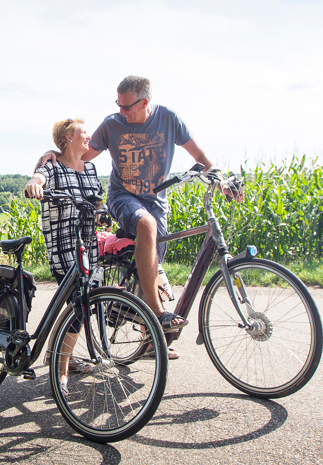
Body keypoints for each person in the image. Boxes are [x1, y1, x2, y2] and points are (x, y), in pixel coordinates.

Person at [36, 76, 213, 359]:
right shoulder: (112, 125)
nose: (121, 111)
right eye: (118, 104)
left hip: (156, 202)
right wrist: (54, 153)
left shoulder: (168, 119)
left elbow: (199, 156)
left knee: (151, 266)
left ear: (144, 103)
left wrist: (219, 178)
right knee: (146, 224)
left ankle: (147, 341)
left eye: (126, 106)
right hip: (122, 197)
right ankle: (157, 314)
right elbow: (80, 155)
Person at [25, 118, 104, 394]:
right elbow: (40, 176)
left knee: (85, 303)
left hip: (88, 245)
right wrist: (35, 183)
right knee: (79, 304)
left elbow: (97, 200)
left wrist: (102, 213)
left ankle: (58, 354)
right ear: (69, 138)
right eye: (84, 132)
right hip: (64, 245)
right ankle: (61, 371)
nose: (89, 137)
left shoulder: (90, 168)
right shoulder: (53, 164)